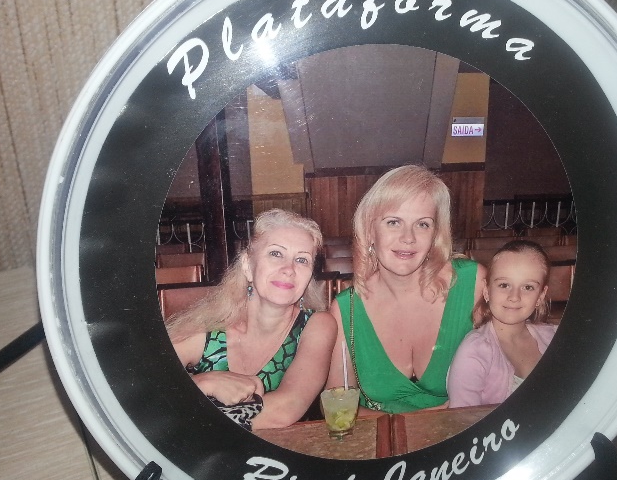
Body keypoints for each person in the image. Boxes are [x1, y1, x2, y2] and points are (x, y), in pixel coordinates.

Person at [326, 165, 485, 413]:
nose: (408, 237)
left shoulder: (472, 284)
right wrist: (408, 425)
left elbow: (505, 378)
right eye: (393, 222)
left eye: (423, 224)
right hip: (381, 436)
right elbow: (337, 408)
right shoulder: (346, 309)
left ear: (435, 234)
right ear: (370, 231)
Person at [166, 209, 337, 430]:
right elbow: (144, 382)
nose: (289, 269)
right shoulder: (210, 330)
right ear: (248, 265)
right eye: (276, 253)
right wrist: (202, 383)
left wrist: (195, 415)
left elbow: (285, 409)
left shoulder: (317, 325)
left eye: (302, 260)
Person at [447, 240, 558, 408]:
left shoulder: (555, 338)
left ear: (541, 296)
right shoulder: (474, 352)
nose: (514, 297)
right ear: (486, 291)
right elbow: (462, 419)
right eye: (504, 285)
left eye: (528, 287)